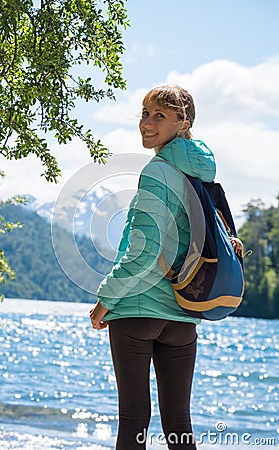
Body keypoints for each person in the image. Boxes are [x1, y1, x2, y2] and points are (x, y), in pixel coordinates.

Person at [90, 85, 242, 449]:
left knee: (133, 422)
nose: (147, 123)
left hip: (137, 312)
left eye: (159, 115)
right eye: (145, 113)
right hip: (184, 311)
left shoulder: (159, 172)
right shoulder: (200, 173)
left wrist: (105, 300)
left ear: (183, 122)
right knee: (178, 423)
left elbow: (143, 252)